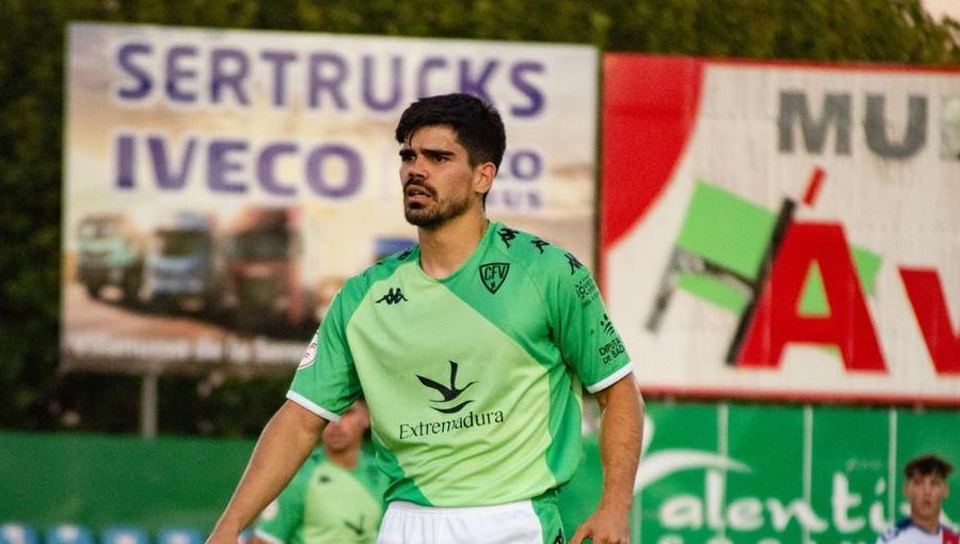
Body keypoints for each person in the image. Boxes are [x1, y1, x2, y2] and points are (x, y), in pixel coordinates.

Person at [207, 93, 644, 544]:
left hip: (515, 523)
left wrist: (614, 506)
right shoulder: (361, 297)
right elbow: (299, 421)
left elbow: (619, 393)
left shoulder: (549, 272)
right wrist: (229, 527)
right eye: (408, 156)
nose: (416, 169)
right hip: (404, 526)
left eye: (438, 157)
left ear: (483, 175)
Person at [249, 400, 383, 544]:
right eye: (327, 414)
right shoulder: (295, 476)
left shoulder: (385, 474)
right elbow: (265, 540)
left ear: (366, 416)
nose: (335, 422)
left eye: (346, 412)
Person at [876, 454, 960, 544]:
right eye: (918, 483)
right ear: (906, 490)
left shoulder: (956, 541)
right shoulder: (892, 541)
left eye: (934, 483)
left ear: (945, 490)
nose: (927, 491)